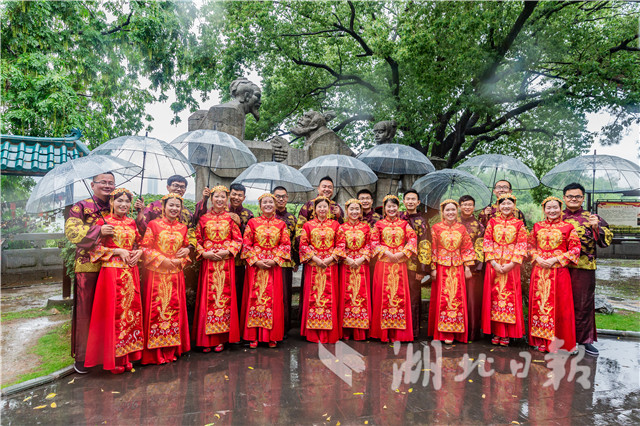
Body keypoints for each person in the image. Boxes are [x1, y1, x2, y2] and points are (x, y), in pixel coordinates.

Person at [85, 188, 144, 374]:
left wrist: (139, 252)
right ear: (111, 203)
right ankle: (112, 359)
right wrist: (118, 251)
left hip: (130, 272)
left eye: (127, 201)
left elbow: (141, 243)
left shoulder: (132, 222)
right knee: (113, 315)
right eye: (119, 201)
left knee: (129, 315)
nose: (123, 205)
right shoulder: (104, 223)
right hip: (111, 274)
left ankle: (127, 356)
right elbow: (93, 250)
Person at [64, 172, 114, 374]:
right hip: (88, 267)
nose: (108, 186)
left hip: (112, 265)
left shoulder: (116, 203)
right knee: (87, 313)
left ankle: (108, 354)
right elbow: (72, 232)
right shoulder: (81, 206)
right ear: (92, 185)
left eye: (111, 183)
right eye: (103, 182)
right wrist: (98, 231)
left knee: (110, 312)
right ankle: (84, 357)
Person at [140, 193, 192, 364]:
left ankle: (172, 350)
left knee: (174, 312)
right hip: (156, 275)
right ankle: (156, 353)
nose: (174, 208)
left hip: (176, 275)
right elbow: (145, 248)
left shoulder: (183, 228)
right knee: (156, 312)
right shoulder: (154, 225)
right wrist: (162, 259)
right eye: (171, 205)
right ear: (163, 207)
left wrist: (183, 256)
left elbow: (186, 250)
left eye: (177, 206)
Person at [562, 182, 613, 356]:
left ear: (583, 198)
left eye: (577, 196)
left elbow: (606, 241)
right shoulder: (557, 217)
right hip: (560, 267)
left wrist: (596, 227)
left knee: (583, 304)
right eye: (570, 196)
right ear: (564, 198)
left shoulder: (592, 217)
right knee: (560, 303)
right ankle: (560, 338)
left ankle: (584, 340)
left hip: (583, 267)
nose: (573, 199)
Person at [193, 185, 243, 352]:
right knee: (208, 300)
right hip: (208, 263)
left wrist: (227, 251)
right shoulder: (203, 219)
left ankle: (221, 338)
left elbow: (238, 240)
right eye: (217, 197)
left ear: (226, 199)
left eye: (223, 197)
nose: (220, 200)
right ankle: (207, 340)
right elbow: (197, 240)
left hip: (225, 262)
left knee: (224, 299)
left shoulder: (231, 219)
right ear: (211, 198)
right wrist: (204, 254)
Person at [528, 196, 581, 353]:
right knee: (540, 305)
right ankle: (541, 341)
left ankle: (559, 343)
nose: (552, 210)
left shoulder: (568, 227)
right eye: (548, 208)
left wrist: (556, 259)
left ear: (561, 208)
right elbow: (530, 246)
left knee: (560, 307)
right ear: (544, 210)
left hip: (559, 272)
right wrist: (537, 257)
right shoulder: (537, 226)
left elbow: (575, 249)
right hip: (539, 272)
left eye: (555, 207)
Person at [240, 193, 291, 348]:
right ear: (260, 205)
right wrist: (256, 260)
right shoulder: (252, 223)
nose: (268, 205)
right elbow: (246, 244)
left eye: (271, 202)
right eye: (265, 202)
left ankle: (272, 335)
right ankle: (253, 335)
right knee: (254, 299)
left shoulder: (281, 224)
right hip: (256, 267)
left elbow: (285, 244)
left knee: (273, 300)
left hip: (273, 266)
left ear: (275, 205)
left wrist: (275, 259)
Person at [481, 194, 528, 346]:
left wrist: (511, 264)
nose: (506, 206)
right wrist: (494, 263)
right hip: (493, 265)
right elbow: (487, 242)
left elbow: (522, 245)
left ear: (514, 206)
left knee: (509, 298)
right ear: (498, 206)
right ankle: (495, 331)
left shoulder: (519, 224)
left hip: (511, 266)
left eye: (509, 203)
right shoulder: (492, 222)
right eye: (503, 204)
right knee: (493, 297)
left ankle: (506, 333)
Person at [370, 195, 417, 343]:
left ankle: (398, 334)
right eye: (388, 206)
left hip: (399, 264)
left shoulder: (404, 224)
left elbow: (413, 238)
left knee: (399, 296)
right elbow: (373, 241)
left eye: (394, 206)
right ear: (384, 208)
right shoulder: (378, 225)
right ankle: (383, 333)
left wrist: (404, 252)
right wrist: (387, 252)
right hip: (383, 263)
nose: (391, 209)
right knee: (382, 297)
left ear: (398, 208)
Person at [428, 200, 476, 344]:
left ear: (457, 211)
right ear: (442, 212)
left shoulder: (461, 228)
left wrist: (467, 267)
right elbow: (433, 248)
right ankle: (444, 333)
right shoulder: (436, 228)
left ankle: (456, 331)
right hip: (442, 267)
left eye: (453, 210)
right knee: (443, 300)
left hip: (457, 267)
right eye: (447, 210)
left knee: (456, 298)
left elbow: (467, 248)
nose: (450, 213)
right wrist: (433, 268)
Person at [299, 196, 341, 343]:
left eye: (325, 206)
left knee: (329, 297)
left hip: (330, 266)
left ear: (329, 209)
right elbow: (303, 245)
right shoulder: (308, 225)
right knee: (313, 298)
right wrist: (315, 259)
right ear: (314, 209)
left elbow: (341, 245)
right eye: (319, 207)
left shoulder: (335, 225)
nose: (322, 209)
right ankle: (313, 333)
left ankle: (329, 334)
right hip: (314, 266)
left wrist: (330, 259)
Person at [336, 199, 372, 340]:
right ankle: (346, 330)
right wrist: (347, 259)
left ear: (361, 211)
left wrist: (361, 259)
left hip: (361, 265)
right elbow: (338, 246)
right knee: (347, 296)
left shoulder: (366, 227)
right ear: (347, 210)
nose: (355, 212)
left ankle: (360, 330)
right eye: (352, 209)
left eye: (357, 209)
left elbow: (370, 245)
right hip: (347, 265)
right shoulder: (341, 228)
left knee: (361, 296)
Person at [133, 174, 206, 240]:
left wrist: (187, 249)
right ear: (168, 187)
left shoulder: (187, 213)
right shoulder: (153, 207)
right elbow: (143, 229)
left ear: (185, 190)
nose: (179, 189)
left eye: (182, 187)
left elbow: (191, 233)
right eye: (176, 185)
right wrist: (140, 212)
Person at [400, 190, 431, 339]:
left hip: (414, 266)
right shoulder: (398, 218)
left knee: (413, 298)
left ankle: (413, 331)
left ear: (418, 203)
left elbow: (425, 245)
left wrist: (422, 269)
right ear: (404, 201)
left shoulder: (422, 221)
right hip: (397, 265)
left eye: (413, 199)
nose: (410, 201)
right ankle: (399, 329)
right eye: (408, 199)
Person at [458, 195, 486, 342]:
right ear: (459, 206)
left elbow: (480, 248)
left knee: (472, 300)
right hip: (454, 267)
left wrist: (474, 267)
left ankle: (472, 333)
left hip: (473, 268)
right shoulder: (453, 223)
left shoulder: (479, 225)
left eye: (470, 205)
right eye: (464, 204)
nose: (467, 207)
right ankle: (455, 330)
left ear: (474, 207)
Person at [273, 186, 298, 336]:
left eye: (283, 196)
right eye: (278, 196)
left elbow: (295, 240)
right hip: (269, 261)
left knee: (285, 294)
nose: (280, 199)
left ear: (287, 198)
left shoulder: (291, 218)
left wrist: (296, 260)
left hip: (286, 261)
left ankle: (284, 326)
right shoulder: (267, 215)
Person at [228, 182, 254, 316]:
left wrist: (240, 224)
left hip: (239, 262)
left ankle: (237, 322)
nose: (236, 197)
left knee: (238, 291)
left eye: (240, 195)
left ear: (244, 197)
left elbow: (252, 237)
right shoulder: (221, 210)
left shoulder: (248, 214)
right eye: (234, 194)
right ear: (229, 194)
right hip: (221, 259)